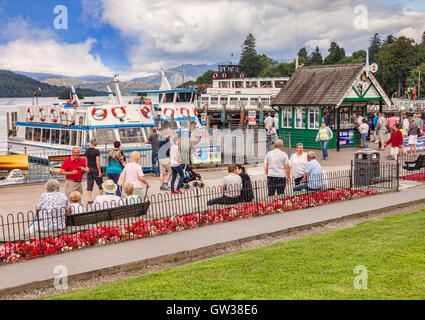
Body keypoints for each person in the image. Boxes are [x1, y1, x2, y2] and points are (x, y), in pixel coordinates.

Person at [85, 138, 103, 204]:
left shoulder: (86, 151)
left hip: (89, 169)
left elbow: (86, 161)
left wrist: (87, 168)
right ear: (95, 143)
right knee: (100, 183)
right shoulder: (96, 151)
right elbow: (97, 161)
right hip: (95, 169)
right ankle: (101, 197)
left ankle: (89, 199)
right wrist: (99, 171)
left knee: (90, 183)